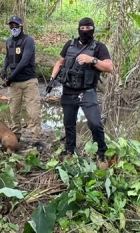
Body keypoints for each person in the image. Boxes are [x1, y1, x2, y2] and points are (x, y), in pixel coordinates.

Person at [50, 17, 113, 168]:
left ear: (93, 29)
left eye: (88, 28)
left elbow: (109, 67)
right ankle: (70, 151)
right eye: (82, 28)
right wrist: (53, 77)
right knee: (69, 124)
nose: (85, 31)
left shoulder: (99, 47)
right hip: (68, 91)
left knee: (95, 123)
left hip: (87, 91)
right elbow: (60, 62)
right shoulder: (70, 44)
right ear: (78, 29)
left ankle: (101, 153)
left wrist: (92, 60)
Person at [1, 16, 44, 153]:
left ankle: (37, 140)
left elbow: (25, 60)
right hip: (14, 84)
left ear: (21, 26)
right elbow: (8, 57)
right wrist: (3, 69)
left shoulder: (28, 40)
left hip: (29, 81)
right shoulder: (8, 41)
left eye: (16, 26)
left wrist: (10, 77)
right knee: (14, 111)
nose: (14, 28)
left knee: (34, 112)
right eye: (11, 26)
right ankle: (16, 136)